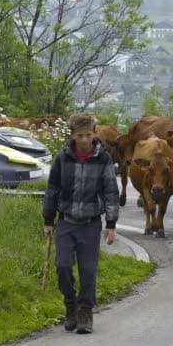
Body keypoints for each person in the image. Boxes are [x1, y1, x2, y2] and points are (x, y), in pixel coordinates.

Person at [43, 112, 119, 334]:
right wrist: (48, 220)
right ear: (72, 135)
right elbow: (52, 190)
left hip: (90, 223)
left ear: (95, 133)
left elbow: (111, 193)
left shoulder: (103, 158)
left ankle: (85, 312)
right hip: (65, 221)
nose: (84, 140)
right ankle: (70, 305)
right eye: (79, 135)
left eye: (88, 135)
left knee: (87, 269)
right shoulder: (63, 157)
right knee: (63, 266)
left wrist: (111, 224)